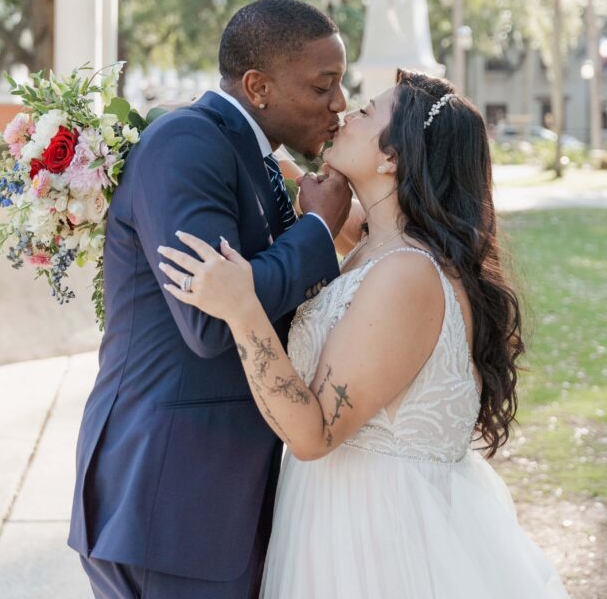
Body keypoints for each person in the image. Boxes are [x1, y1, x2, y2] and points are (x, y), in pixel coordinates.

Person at [161, 70, 571, 598]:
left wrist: (243, 310)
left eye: (368, 111)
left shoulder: (407, 275)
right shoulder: (383, 241)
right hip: (340, 516)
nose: (347, 112)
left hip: (380, 541)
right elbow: (317, 203)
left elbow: (313, 435)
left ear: (392, 158)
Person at [69, 0, 354, 599]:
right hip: (169, 498)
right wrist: (317, 233)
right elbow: (209, 318)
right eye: (323, 85)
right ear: (258, 86)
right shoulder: (187, 143)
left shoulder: (253, 154)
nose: (339, 103)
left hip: (213, 497)